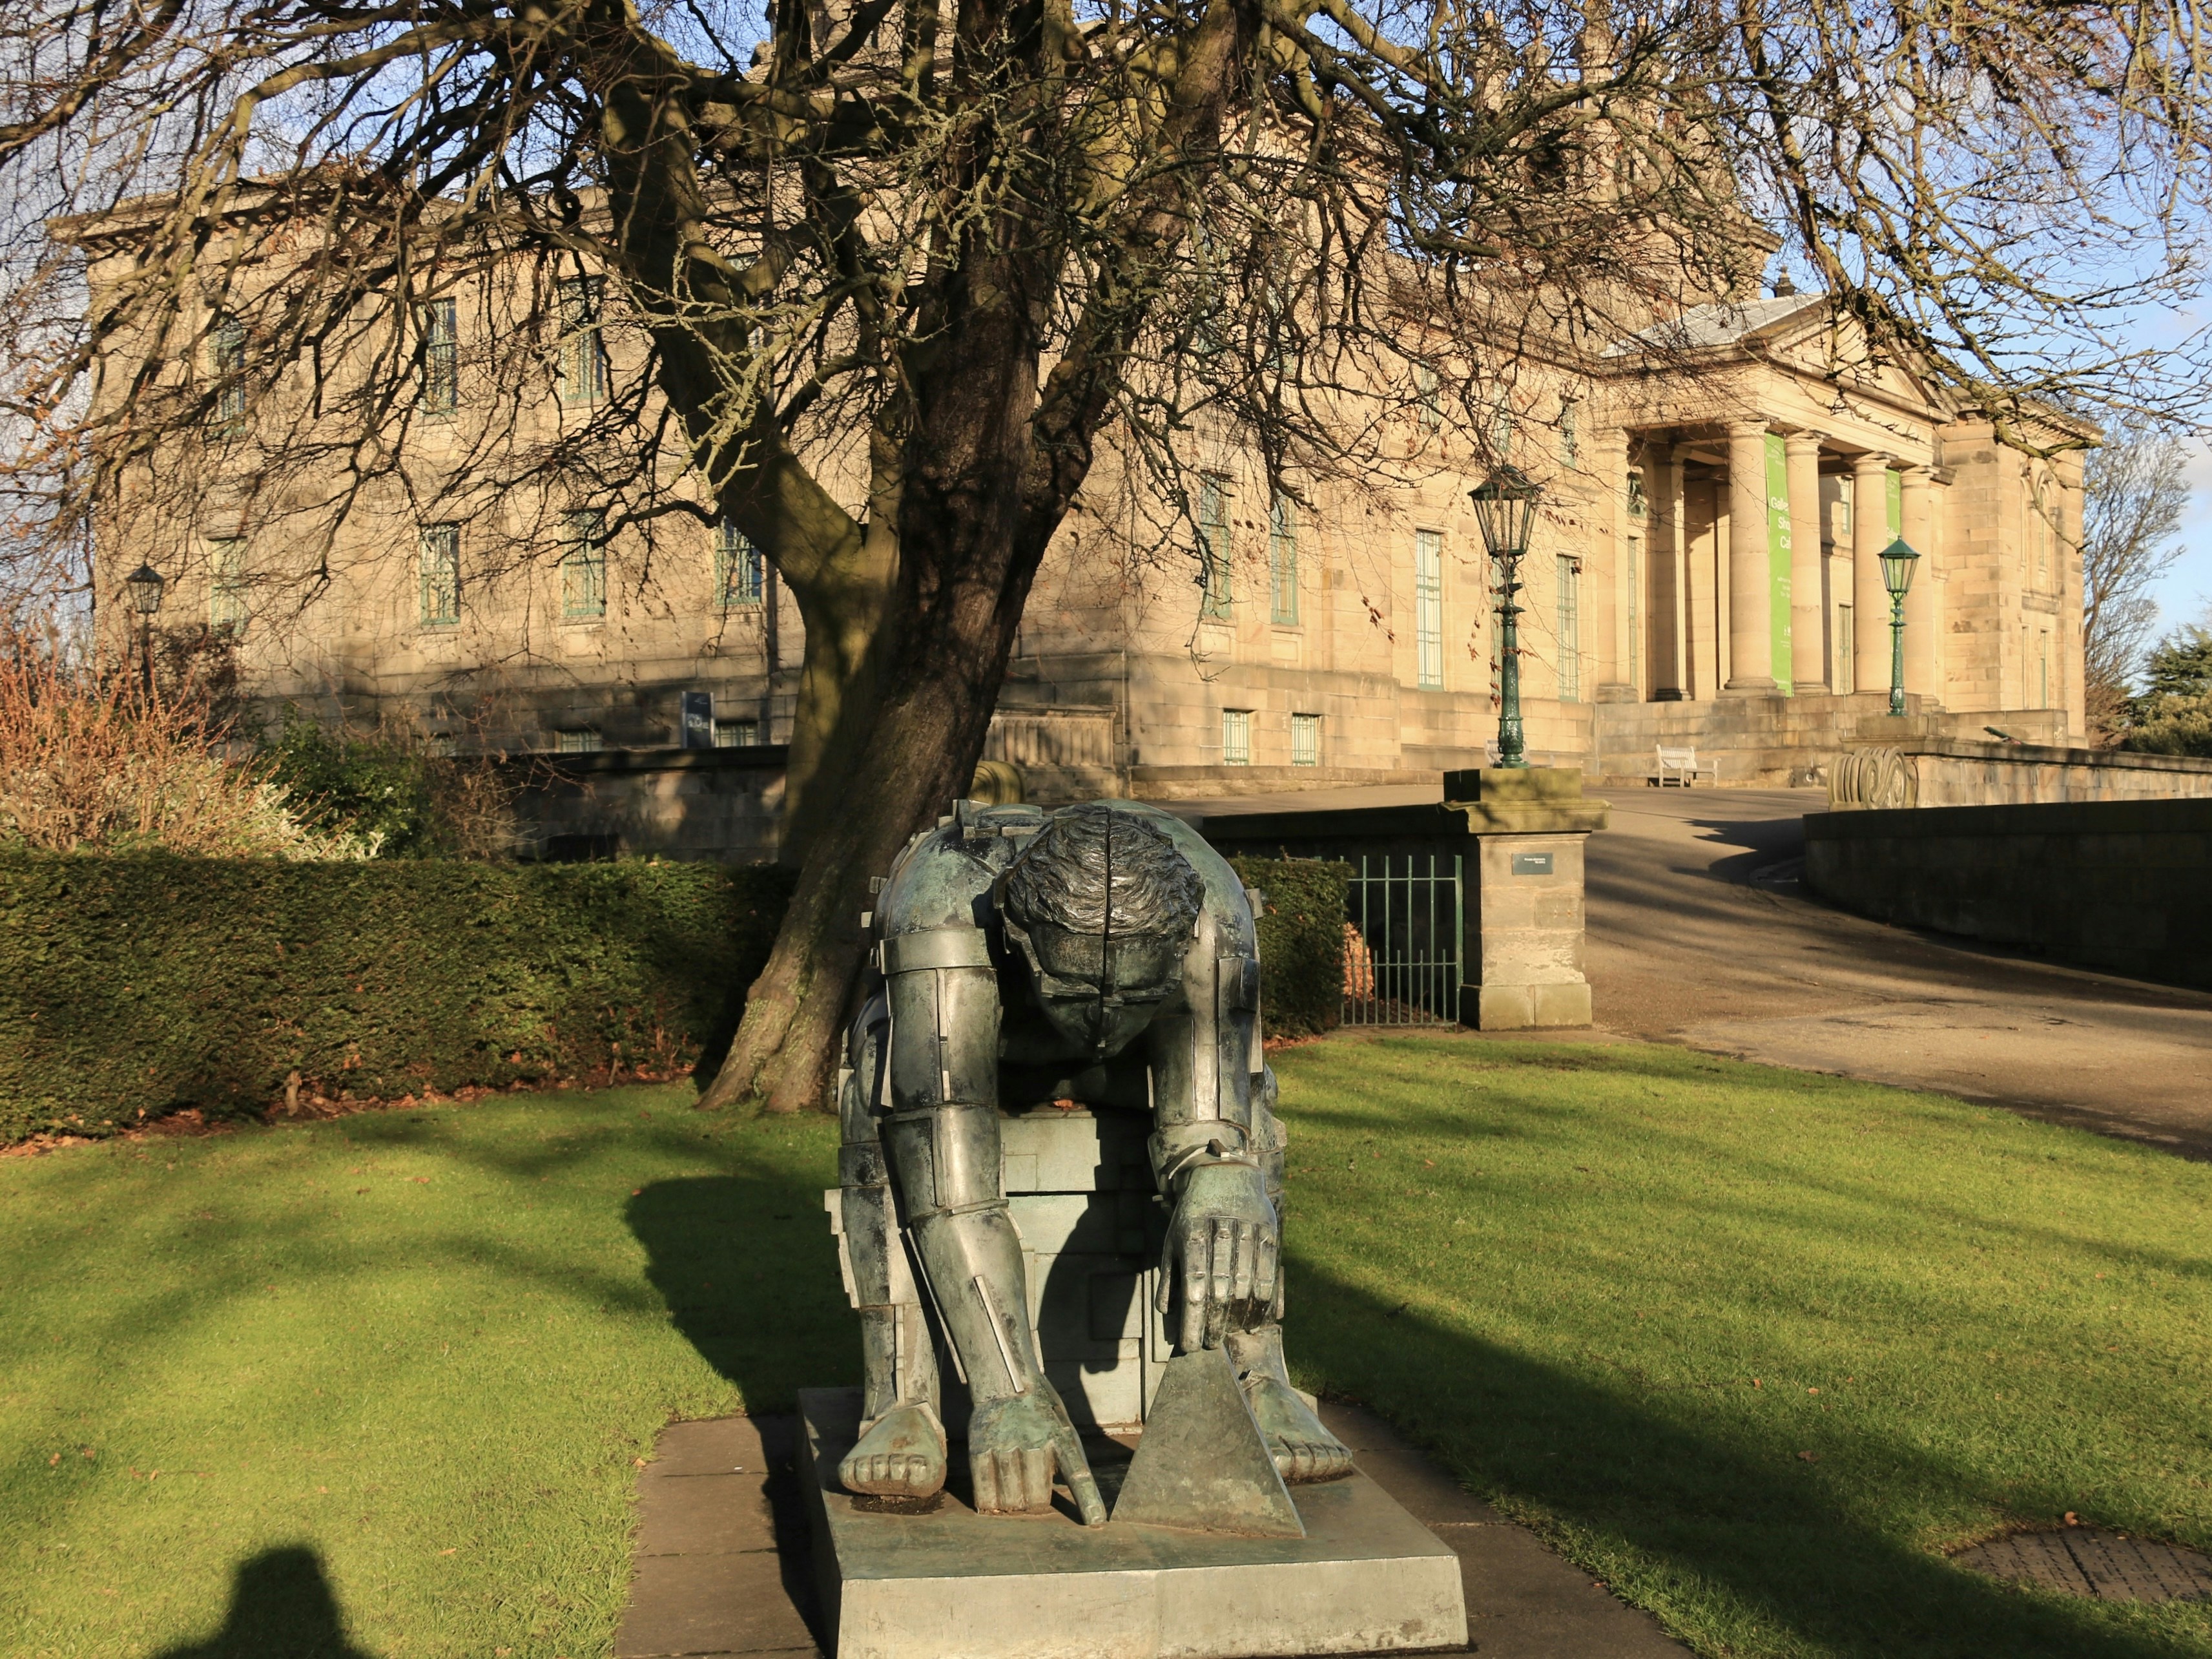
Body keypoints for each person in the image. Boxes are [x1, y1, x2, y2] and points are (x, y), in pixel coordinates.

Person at [827, 798, 1351, 1523]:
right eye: (1076, 990)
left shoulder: (1212, 912)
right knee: (878, 1095)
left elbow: (1213, 1118)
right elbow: (953, 1190)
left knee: (1253, 1116)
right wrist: (1007, 1389)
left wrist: (1222, 1174)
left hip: (1142, 1062)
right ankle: (900, 1396)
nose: (1101, 1020)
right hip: (987, 1048)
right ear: (1017, 934)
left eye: (1132, 992)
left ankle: (1258, 1375)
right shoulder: (942, 905)